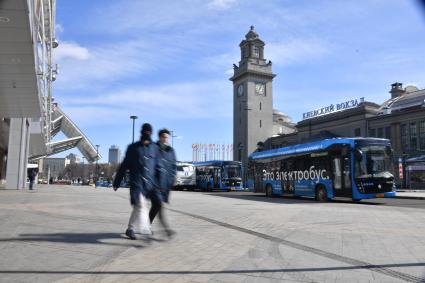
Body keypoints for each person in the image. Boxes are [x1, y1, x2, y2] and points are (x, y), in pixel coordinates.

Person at [113, 123, 162, 240]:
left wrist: (161, 183)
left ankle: (130, 229)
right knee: (141, 205)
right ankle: (145, 230)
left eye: (149, 132)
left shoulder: (154, 148)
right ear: (142, 132)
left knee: (142, 206)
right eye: (145, 132)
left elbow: (158, 167)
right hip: (137, 183)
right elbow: (124, 166)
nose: (147, 134)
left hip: (150, 184)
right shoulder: (133, 148)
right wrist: (117, 182)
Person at [150, 129, 176, 237]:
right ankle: (166, 230)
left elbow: (173, 166)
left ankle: (147, 224)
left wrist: (172, 179)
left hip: (165, 185)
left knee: (156, 206)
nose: (165, 139)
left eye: (167, 137)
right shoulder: (153, 148)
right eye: (164, 137)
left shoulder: (171, 150)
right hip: (154, 184)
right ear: (160, 137)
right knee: (158, 205)